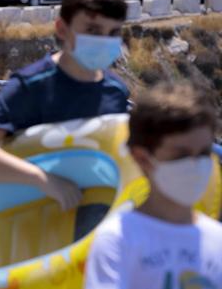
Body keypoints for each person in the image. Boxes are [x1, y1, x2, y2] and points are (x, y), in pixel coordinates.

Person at [0, 0, 129, 211]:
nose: (103, 40)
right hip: (30, 222)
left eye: (113, 33)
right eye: (92, 29)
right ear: (62, 29)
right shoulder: (33, 86)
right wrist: (42, 179)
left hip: (89, 222)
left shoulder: (116, 91)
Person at [85, 82, 222, 288]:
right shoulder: (119, 239)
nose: (196, 165)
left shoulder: (217, 239)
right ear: (142, 158)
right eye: (181, 155)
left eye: (203, 154)